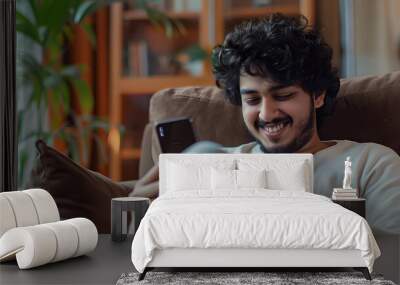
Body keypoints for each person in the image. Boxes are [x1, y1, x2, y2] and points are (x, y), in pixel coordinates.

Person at [131, 14, 400, 235]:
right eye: (252, 99)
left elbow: (390, 258)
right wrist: (134, 211)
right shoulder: (208, 158)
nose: (267, 114)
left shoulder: (371, 164)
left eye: (283, 96)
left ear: (317, 95)